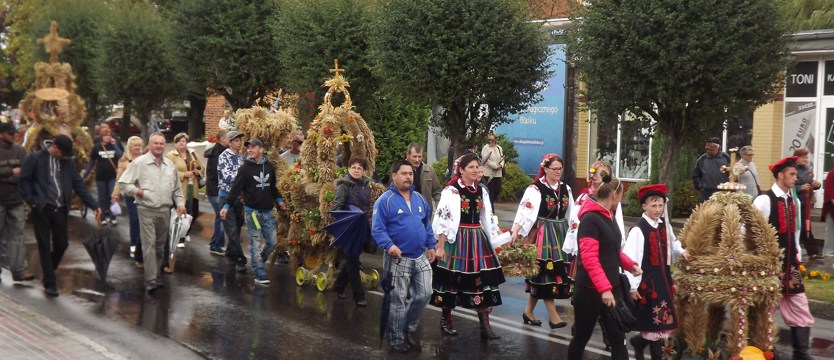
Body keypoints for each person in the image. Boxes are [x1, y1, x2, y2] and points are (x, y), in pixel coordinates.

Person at [567, 174, 642, 360]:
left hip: (611, 288)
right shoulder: (590, 220)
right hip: (590, 291)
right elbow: (590, 259)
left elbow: (612, 250)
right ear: (614, 195)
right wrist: (604, 289)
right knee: (581, 338)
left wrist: (629, 264)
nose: (621, 200)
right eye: (621, 196)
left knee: (618, 338)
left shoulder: (609, 216)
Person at [431, 153, 504, 340]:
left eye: (477, 167)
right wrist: (440, 246)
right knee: (451, 281)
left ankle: (485, 325)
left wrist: (494, 241)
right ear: (461, 170)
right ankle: (446, 319)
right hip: (457, 240)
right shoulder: (452, 191)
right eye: (470, 167)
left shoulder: (482, 190)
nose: (475, 170)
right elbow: (443, 221)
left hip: (477, 239)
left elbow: (486, 219)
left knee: (482, 281)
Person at [20, 135, 101, 296]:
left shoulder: (67, 163)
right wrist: (32, 201)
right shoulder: (35, 158)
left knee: (62, 244)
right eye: (63, 153)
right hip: (42, 208)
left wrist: (94, 205)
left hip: (60, 208)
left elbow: (78, 184)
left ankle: (49, 269)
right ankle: (50, 283)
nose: (65, 156)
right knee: (44, 245)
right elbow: (24, 180)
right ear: (55, 148)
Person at [753, 156, 815, 360]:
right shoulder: (764, 200)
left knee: (800, 305)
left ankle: (801, 354)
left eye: (796, 174)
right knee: (765, 311)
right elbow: (749, 231)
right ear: (780, 175)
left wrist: (797, 256)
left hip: (790, 264)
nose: (795, 178)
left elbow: (796, 233)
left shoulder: (794, 200)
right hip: (769, 267)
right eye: (792, 174)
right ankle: (763, 351)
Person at [372, 159, 436, 353]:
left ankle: (408, 327)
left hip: (420, 256)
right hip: (398, 258)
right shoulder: (385, 200)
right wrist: (389, 245)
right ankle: (396, 337)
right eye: (404, 173)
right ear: (394, 176)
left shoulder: (419, 198)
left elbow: (426, 225)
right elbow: (377, 229)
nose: (408, 176)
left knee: (425, 293)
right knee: (397, 300)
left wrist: (431, 245)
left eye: (410, 173)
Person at [509, 153, 573, 329]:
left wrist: (575, 234)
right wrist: (516, 230)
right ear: (545, 169)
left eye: (560, 169)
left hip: (561, 233)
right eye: (555, 169)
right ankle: (553, 317)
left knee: (542, 275)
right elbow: (525, 212)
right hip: (545, 236)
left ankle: (528, 311)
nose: (558, 172)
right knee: (546, 274)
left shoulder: (566, 188)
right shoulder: (535, 189)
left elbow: (571, 214)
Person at [623, 184, 686, 360]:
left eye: (660, 206)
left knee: (660, 323)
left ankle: (639, 342)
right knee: (655, 324)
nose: (658, 210)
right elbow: (631, 259)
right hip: (648, 284)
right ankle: (651, 351)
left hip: (663, 280)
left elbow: (672, 242)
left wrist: (682, 252)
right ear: (644, 206)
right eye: (654, 205)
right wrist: (633, 287)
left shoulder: (664, 226)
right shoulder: (638, 229)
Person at [119, 132, 186, 293]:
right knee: (149, 244)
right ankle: (150, 280)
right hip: (146, 209)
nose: (158, 146)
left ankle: (155, 276)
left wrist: (181, 204)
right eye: (155, 143)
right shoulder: (139, 163)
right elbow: (123, 184)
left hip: (165, 210)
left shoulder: (170, 165)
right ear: (149, 145)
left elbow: (177, 189)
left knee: (160, 246)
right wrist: (138, 192)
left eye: (161, 144)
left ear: (165, 145)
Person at [220, 138, 285, 285]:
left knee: (272, 242)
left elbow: (272, 188)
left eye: (253, 147)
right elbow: (235, 189)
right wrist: (226, 206)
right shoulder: (244, 169)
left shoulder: (269, 166)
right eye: (248, 148)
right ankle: (259, 273)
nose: (249, 150)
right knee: (255, 243)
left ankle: (259, 261)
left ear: (261, 149)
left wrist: (279, 200)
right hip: (252, 213)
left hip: (268, 211)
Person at [331, 157, 373, 307]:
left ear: (363, 170)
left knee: (352, 260)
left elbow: (367, 207)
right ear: (348, 168)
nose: (356, 170)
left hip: (361, 227)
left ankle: (339, 286)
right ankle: (359, 296)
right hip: (349, 228)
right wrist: (348, 217)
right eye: (353, 167)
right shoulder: (344, 185)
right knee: (354, 261)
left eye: (359, 168)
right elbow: (337, 208)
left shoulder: (366, 185)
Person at [0, 122, 34, 283]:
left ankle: (19, 271)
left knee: (17, 236)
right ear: (2, 134)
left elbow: (25, 171)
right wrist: (11, 172)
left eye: (13, 134)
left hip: (16, 198)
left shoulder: (20, 150)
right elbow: (17, 171)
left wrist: (7, 176)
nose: (13, 136)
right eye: (9, 134)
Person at [112, 136, 145, 267]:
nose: (137, 148)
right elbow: (119, 178)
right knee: (134, 219)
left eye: (139, 145)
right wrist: (115, 194)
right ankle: (133, 243)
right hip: (131, 194)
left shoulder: (145, 158)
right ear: (130, 146)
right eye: (135, 146)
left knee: (144, 220)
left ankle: (141, 244)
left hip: (143, 193)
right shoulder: (124, 160)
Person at [167, 132, 204, 247]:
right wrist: (184, 174)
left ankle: (186, 231)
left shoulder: (192, 153)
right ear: (175, 143)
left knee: (195, 212)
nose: (182, 143)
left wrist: (198, 172)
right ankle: (179, 237)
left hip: (193, 186)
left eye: (183, 141)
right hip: (180, 187)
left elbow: (201, 166)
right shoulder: (171, 155)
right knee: (182, 212)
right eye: (179, 141)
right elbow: (169, 171)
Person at [81, 126, 123, 225]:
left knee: (112, 196)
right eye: (105, 135)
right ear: (101, 137)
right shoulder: (97, 147)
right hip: (100, 177)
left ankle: (113, 217)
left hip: (112, 176)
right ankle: (103, 217)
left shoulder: (113, 145)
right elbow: (91, 162)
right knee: (102, 198)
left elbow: (120, 155)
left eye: (109, 135)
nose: (108, 137)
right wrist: (85, 174)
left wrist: (115, 145)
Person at [218, 131, 247, 269]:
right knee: (232, 230)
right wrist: (243, 177)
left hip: (239, 199)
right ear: (229, 143)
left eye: (240, 140)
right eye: (236, 141)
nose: (239, 143)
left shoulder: (241, 157)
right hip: (226, 197)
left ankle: (230, 253)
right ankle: (240, 258)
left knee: (238, 227)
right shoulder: (223, 156)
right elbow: (227, 176)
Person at [794, 147, 823, 260]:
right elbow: (788, 186)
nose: (805, 160)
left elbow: (810, 183)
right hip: (795, 203)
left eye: (806, 157)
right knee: (798, 227)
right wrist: (800, 187)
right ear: (796, 157)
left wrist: (816, 185)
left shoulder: (807, 169)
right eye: (803, 157)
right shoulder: (791, 169)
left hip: (805, 203)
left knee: (806, 227)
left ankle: (813, 252)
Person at [204, 129, 229, 255]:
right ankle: (217, 244)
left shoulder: (220, 151)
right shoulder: (218, 153)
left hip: (215, 189)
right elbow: (216, 173)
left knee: (220, 216)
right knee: (221, 215)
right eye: (228, 137)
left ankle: (214, 243)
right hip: (215, 190)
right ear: (223, 139)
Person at [405, 142, 442, 212]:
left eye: (419, 156)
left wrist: (439, 207)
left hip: (425, 212)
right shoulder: (399, 170)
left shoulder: (429, 171)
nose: (417, 160)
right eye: (414, 156)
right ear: (408, 155)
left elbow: (437, 191)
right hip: (406, 211)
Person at [692, 137, 729, 203]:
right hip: (706, 194)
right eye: (706, 146)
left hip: (723, 193)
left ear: (716, 147)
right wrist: (700, 186)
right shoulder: (702, 159)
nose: (707, 148)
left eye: (709, 146)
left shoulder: (725, 157)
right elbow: (696, 175)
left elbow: (731, 173)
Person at [480, 133, 504, 210]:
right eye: (489, 140)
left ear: (495, 140)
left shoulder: (499, 148)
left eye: (492, 140)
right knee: (490, 191)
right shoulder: (485, 148)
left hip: (498, 174)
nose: (491, 142)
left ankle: (489, 204)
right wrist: (495, 166)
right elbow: (486, 160)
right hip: (488, 174)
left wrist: (500, 165)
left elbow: (502, 158)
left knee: (498, 190)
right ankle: (491, 209)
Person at [821, 169, 834, 257]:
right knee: (830, 229)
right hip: (831, 208)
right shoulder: (832, 174)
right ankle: (828, 251)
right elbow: (830, 191)